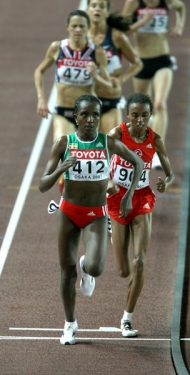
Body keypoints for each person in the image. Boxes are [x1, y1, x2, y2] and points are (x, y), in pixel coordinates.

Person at [39, 94, 144, 345]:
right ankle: (69, 324)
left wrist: (129, 195)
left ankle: (87, 268)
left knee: (96, 267)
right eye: (84, 114)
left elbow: (138, 162)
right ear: (75, 117)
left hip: (96, 214)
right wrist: (61, 169)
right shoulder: (64, 143)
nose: (90, 119)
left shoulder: (107, 143)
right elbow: (43, 185)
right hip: (68, 212)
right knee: (66, 271)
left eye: (95, 115)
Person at [107, 92, 175, 337]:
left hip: (142, 198)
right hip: (116, 198)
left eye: (144, 115)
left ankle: (126, 319)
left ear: (149, 115)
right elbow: (102, 158)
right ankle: (108, 230)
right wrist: (107, 181)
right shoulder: (117, 135)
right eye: (134, 115)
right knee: (123, 270)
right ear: (128, 115)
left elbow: (170, 173)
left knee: (140, 262)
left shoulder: (155, 140)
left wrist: (166, 182)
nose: (139, 120)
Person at [34, 9, 118, 193]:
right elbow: (39, 71)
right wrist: (41, 98)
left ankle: (94, 199)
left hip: (87, 117)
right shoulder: (57, 48)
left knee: (89, 160)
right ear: (67, 27)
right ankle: (65, 200)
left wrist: (96, 76)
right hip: (63, 112)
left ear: (88, 28)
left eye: (82, 26)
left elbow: (109, 87)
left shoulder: (97, 52)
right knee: (65, 156)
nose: (78, 30)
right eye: (74, 26)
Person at [122, 0, 186, 169]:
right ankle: (141, 144)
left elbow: (180, 6)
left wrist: (179, 25)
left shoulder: (166, 1)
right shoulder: (134, 3)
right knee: (142, 111)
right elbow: (121, 31)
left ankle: (157, 153)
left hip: (162, 60)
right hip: (141, 62)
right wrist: (142, 22)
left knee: (159, 104)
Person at [86, 0, 145, 133]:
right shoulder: (81, 36)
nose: (97, 9)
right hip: (88, 97)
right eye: (93, 6)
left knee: (110, 146)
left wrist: (121, 79)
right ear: (87, 10)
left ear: (107, 12)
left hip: (110, 98)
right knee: (87, 150)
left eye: (102, 6)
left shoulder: (116, 36)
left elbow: (137, 63)